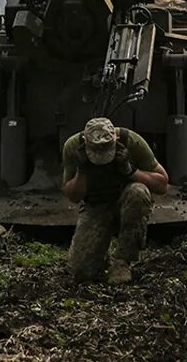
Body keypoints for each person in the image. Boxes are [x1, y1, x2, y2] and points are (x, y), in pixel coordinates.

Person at [61, 117, 169, 285]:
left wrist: (130, 171)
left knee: (138, 192)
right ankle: (100, 256)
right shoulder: (73, 147)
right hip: (96, 205)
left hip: (126, 200)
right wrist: (82, 171)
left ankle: (123, 261)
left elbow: (162, 184)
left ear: (116, 139)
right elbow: (73, 196)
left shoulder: (131, 141)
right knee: (81, 272)